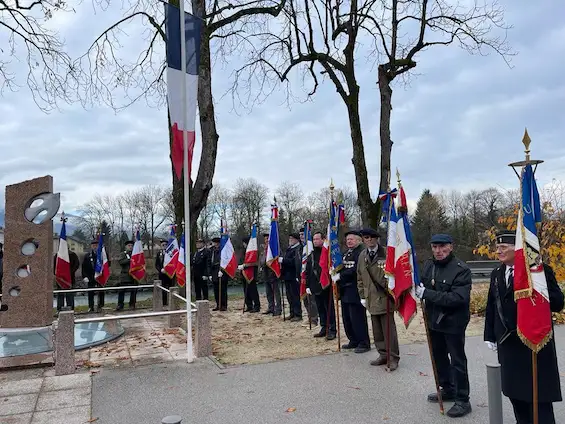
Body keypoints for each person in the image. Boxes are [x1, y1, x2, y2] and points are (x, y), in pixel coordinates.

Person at [484, 231, 564, 424]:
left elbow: (558, 303)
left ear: (518, 249)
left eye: (504, 248)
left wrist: (537, 289)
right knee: (516, 396)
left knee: (538, 398)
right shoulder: (497, 273)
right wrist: (490, 335)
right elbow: (492, 306)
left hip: (533, 343)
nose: (499, 252)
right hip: (508, 344)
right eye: (497, 248)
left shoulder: (539, 272)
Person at [415, 233, 472, 418]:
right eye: (435, 247)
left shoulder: (460, 269)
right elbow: (422, 285)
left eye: (442, 247)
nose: (438, 251)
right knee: (438, 357)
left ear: (451, 247)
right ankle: (447, 388)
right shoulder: (429, 265)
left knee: (457, 361)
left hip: (453, 321)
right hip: (433, 320)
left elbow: (457, 298)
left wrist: (427, 294)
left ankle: (463, 399)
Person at [357, 227, 399, 370]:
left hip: (385, 297)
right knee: (376, 330)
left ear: (377, 239)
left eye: (372, 238)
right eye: (366, 238)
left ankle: (393, 357)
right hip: (370, 298)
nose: (369, 240)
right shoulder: (362, 255)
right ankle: (383, 354)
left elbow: (396, 274)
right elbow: (360, 278)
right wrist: (362, 296)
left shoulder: (387, 253)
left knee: (389, 330)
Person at [335, 229, 371, 353]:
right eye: (347, 239)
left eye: (352, 239)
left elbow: (357, 269)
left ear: (358, 240)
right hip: (345, 289)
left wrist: (341, 276)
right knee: (347, 317)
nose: (349, 241)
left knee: (357, 318)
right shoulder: (346, 253)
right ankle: (353, 340)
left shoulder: (361, 252)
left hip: (355, 289)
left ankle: (363, 342)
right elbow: (341, 266)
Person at [306, 231, 336, 340]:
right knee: (320, 308)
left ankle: (332, 329)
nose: (315, 241)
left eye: (317, 239)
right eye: (313, 239)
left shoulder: (327, 252)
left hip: (326, 285)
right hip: (315, 286)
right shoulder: (312, 254)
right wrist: (308, 286)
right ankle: (324, 327)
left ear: (323, 239)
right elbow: (308, 270)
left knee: (329, 308)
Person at [299, 227, 319, 327]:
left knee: (311, 300)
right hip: (302, 276)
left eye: (303, 234)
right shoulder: (301, 248)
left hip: (311, 278)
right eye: (300, 235)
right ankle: (309, 317)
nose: (301, 236)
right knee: (305, 299)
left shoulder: (310, 247)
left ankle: (314, 319)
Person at [281, 232, 302, 322]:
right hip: (287, 275)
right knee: (289, 296)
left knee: (295, 296)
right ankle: (292, 312)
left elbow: (295, 262)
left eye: (292, 239)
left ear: (296, 240)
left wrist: (284, 260)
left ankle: (298, 314)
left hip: (294, 275)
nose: (290, 240)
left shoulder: (298, 249)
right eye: (289, 238)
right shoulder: (289, 249)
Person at [260, 232, 282, 316]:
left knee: (276, 292)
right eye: (265, 239)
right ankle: (271, 307)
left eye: (268, 239)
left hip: (272, 272)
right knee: (268, 291)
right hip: (265, 272)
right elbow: (261, 260)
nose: (266, 241)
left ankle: (278, 308)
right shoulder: (264, 249)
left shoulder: (275, 249)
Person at [81, 239, 105, 312]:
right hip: (90, 277)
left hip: (100, 276)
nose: (95, 247)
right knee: (90, 292)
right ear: (91, 246)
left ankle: (100, 306)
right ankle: (91, 306)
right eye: (93, 245)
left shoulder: (102, 255)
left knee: (101, 292)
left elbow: (107, 265)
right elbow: (83, 267)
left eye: (96, 245)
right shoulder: (87, 256)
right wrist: (84, 276)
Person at [238, 236, 261, 312]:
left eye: (244, 243)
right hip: (243, 272)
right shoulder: (243, 251)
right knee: (246, 291)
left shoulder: (253, 251)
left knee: (253, 290)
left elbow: (255, 262)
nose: (243, 244)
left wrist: (244, 265)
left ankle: (257, 306)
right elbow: (241, 260)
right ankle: (249, 305)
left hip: (251, 272)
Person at [209, 237, 227, 311]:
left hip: (222, 271)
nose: (216, 244)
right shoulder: (211, 250)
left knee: (223, 290)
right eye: (215, 243)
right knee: (216, 290)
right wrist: (209, 274)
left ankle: (223, 305)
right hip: (214, 271)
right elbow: (208, 262)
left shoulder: (223, 250)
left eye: (217, 243)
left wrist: (222, 271)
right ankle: (218, 304)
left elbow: (226, 261)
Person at [117, 240, 136, 310]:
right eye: (129, 246)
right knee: (121, 291)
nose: (130, 247)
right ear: (126, 247)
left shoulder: (135, 254)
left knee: (133, 291)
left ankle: (132, 304)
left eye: (131, 246)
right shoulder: (123, 254)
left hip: (133, 275)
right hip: (125, 276)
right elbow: (120, 262)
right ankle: (120, 305)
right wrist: (129, 260)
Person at [155, 239, 175, 306]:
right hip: (162, 274)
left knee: (171, 288)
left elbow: (173, 263)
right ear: (161, 245)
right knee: (163, 289)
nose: (164, 246)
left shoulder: (171, 253)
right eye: (163, 245)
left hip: (170, 274)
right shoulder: (159, 253)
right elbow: (156, 264)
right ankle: (164, 303)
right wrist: (160, 269)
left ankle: (172, 302)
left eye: (165, 244)